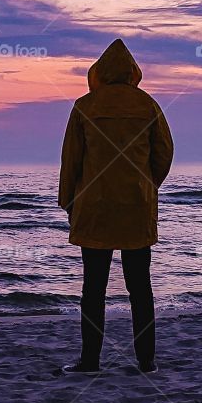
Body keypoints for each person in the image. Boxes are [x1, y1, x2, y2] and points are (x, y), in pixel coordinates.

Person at [58, 39, 174, 375]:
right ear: (132, 72)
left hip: (95, 208)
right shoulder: (147, 105)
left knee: (93, 289)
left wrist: (68, 202)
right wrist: (146, 185)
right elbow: (164, 154)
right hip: (136, 208)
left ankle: (90, 361)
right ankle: (146, 361)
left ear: (99, 72)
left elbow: (71, 160)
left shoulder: (85, 106)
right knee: (140, 288)